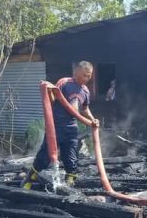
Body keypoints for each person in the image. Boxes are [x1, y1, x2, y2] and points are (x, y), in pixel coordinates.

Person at [23, 61, 98, 189]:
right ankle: (28, 181)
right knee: (44, 156)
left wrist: (92, 119)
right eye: (85, 75)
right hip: (56, 127)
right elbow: (53, 99)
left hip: (71, 128)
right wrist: (48, 90)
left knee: (71, 158)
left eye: (89, 75)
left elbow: (85, 109)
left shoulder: (85, 91)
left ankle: (68, 188)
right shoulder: (64, 83)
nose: (88, 78)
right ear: (76, 73)